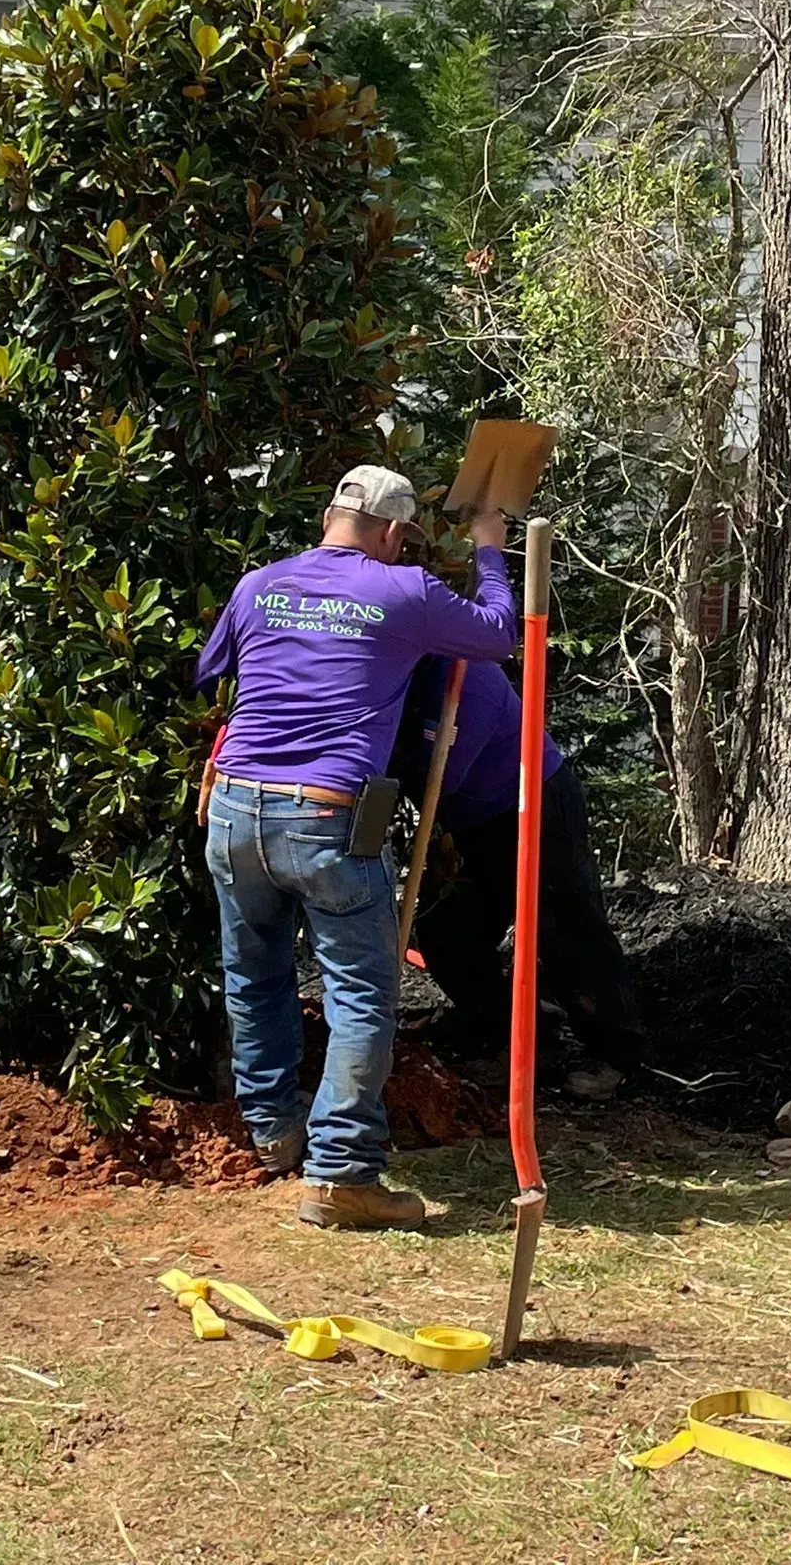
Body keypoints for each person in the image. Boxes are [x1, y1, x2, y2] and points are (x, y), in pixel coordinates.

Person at [196, 464, 517, 1230]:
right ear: (394, 533)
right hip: (326, 814)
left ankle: (276, 1134)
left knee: (255, 976)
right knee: (362, 993)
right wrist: (490, 548)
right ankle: (340, 1175)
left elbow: (211, 671)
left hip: (235, 809)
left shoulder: (258, 585)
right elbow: (499, 635)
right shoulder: (402, 590)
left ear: (331, 517)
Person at [393, 657, 641, 1097]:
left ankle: (615, 1054)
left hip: (534, 806)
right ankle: (524, 1032)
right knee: (445, 930)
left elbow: (442, 776)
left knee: (566, 931)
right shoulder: (394, 673)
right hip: (470, 822)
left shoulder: (470, 681)